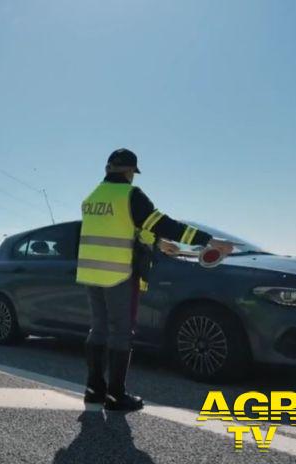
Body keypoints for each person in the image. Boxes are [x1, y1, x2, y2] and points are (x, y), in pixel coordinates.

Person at [76, 148, 232, 412]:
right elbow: (165, 223)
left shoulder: (91, 198)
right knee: (121, 333)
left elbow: (123, 229)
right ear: (129, 171)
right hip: (119, 274)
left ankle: (94, 390)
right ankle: (116, 395)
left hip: (91, 273)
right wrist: (209, 240)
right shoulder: (130, 195)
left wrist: (159, 243)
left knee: (98, 329)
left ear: (107, 168)